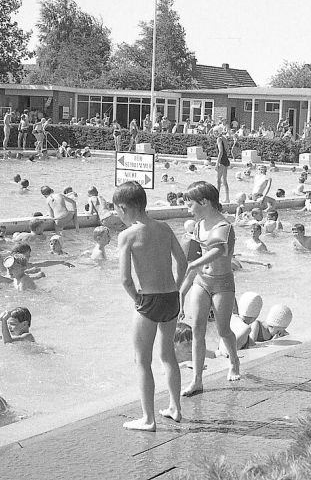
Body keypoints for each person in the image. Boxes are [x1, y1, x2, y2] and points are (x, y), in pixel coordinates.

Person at [112, 181, 187, 428]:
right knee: (168, 355)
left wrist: (138, 300)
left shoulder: (127, 235)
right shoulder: (164, 228)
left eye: (116, 210)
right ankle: (175, 408)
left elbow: (125, 279)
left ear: (123, 208)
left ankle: (148, 418)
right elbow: (182, 262)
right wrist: (175, 287)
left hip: (149, 299)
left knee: (142, 360)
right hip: (171, 297)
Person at [180, 181, 240, 396]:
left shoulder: (224, 226)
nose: (188, 210)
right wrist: (181, 293)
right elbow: (192, 263)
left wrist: (195, 264)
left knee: (223, 329)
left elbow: (219, 251)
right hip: (202, 281)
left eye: (190, 205)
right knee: (197, 329)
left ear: (204, 202)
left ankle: (234, 361)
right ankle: (197, 380)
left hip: (222, 282)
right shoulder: (198, 226)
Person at [214, 131, 231, 203]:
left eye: (215, 132)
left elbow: (220, 151)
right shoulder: (224, 138)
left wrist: (217, 163)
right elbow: (227, 150)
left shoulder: (219, 139)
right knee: (224, 181)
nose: (214, 133)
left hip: (221, 161)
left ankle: (216, 199)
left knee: (218, 181)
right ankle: (227, 198)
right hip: (226, 160)